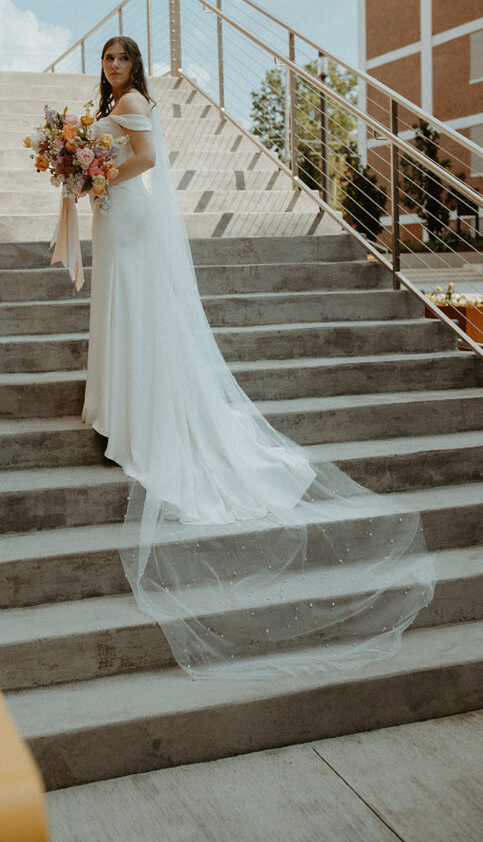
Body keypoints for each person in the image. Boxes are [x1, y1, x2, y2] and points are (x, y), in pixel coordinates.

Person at [77, 35, 436, 680]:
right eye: (107, 60)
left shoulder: (130, 103)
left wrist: (98, 173)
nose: (114, 69)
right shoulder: (108, 104)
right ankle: (117, 408)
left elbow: (148, 157)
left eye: (122, 60)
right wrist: (89, 170)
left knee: (131, 307)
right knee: (118, 308)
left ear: (135, 67)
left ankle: (136, 416)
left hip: (126, 211)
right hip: (116, 214)